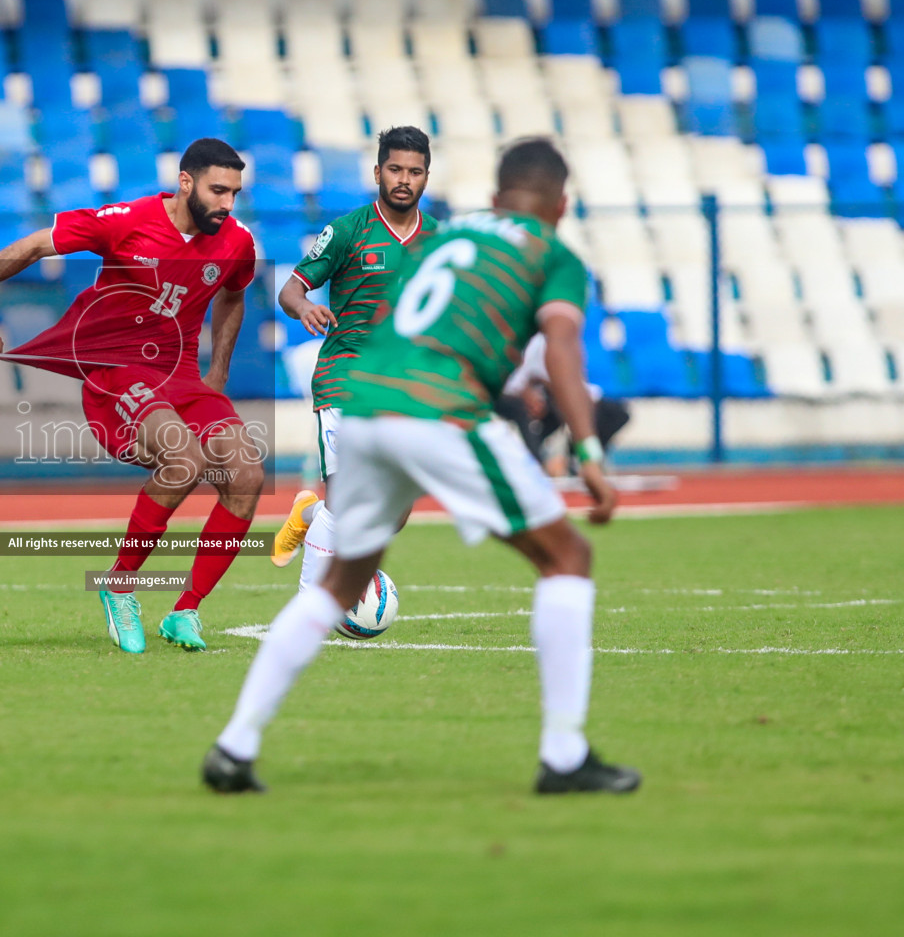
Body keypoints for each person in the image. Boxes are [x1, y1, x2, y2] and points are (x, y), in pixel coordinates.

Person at [203, 137, 640, 796]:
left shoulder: (446, 238)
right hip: (440, 409)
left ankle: (234, 747)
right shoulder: (551, 254)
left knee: (340, 582)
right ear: (563, 205)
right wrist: (590, 452)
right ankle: (564, 756)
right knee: (568, 558)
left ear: (494, 198)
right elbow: (563, 353)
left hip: (367, 401)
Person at [0, 138, 263, 655]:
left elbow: (234, 293)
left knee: (247, 473)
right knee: (183, 458)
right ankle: (119, 584)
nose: (228, 204)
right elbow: (31, 246)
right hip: (118, 369)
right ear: (186, 183)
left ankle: (185, 610)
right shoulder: (127, 220)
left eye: (235, 193)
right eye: (218, 190)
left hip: (182, 375)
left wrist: (219, 373)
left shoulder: (237, 242)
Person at [270, 126, 437, 601]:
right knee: (345, 499)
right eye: (395, 169)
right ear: (378, 171)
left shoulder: (441, 240)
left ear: (426, 177)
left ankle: (307, 516)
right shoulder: (347, 231)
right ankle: (308, 610)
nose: (404, 179)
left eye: (415, 171)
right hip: (344, 374)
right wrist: (304, 308)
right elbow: (291, 288)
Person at [496, 334, 632, 475]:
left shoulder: (557, 340)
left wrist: (586, 396)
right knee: (553, 410)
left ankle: (583, 458)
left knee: (615, 412)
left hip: (552, 392)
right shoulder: (521, 338)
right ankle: (535, 464)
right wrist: (528, 393)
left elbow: (569, 378)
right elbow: (524, 377)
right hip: (519, 393)